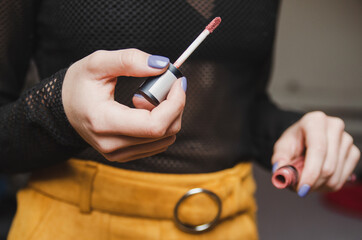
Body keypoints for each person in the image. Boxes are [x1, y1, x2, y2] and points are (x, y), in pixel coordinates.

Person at [1, 0, 360, 239]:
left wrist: (294, 133)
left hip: (228, 221)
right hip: (73, 222)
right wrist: (58, 111)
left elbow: (239, 107)